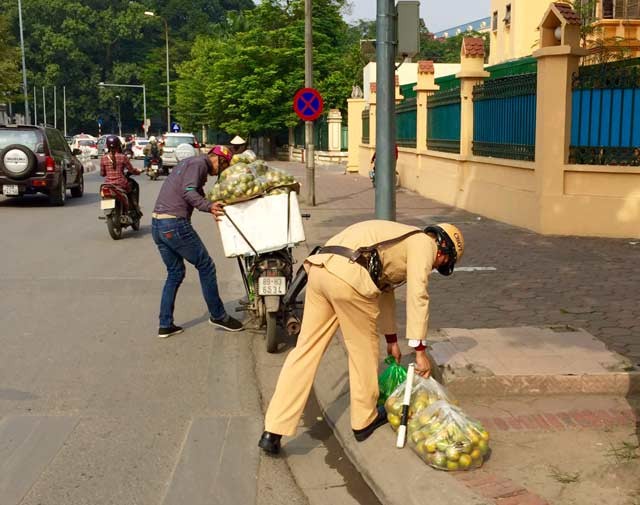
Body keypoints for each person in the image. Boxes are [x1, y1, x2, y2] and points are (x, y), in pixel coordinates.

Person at [258, 220, 464, 455]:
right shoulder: (424, 243)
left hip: (320, 269)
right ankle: (364, 420)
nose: (436, 267)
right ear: (443, 250)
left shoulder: (399, 238)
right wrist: (419, 351)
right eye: (443, 264)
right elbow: (418, 294)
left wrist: (392, 340)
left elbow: (385, 290)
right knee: (363, 352)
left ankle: (273, 430)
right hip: (350, 278)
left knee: (304, 351)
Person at [151, 145, 244, 338]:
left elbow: (196, 191)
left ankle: (165, 324)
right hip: (174, 224)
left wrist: (211, 203)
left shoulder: (189, 163)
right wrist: (208, 207)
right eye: (223, 166)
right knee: (206, 265)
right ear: (218, 159)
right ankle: (218, 315)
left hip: (158, 225)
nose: (220, 172)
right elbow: (189, 192)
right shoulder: (199, 163)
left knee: (175, 273)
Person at [99, 134, 142, 214]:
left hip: (108, 184)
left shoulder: (103, 158)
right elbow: (131, 170)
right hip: (121, 184)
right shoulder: (123, 157)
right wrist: (138, 171)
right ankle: (133, 207)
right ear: (118, 145)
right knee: (132, 187)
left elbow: (102, 173)